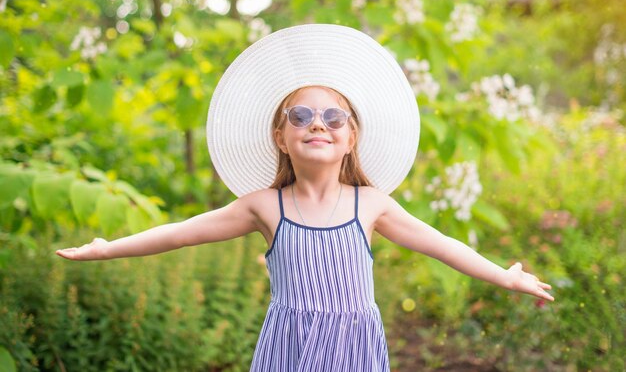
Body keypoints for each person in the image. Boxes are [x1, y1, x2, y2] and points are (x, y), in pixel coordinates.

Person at [56, 24, 555, 371]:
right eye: (301, 116)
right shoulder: (264, 206)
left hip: (355, 352)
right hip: (288, 350)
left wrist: (503, 276)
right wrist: (107, 247)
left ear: (351, 136)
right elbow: (179, 235)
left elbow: (442, 244)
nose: (318, 123)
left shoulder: (370, 204)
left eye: (333, 117)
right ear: (280, 136)